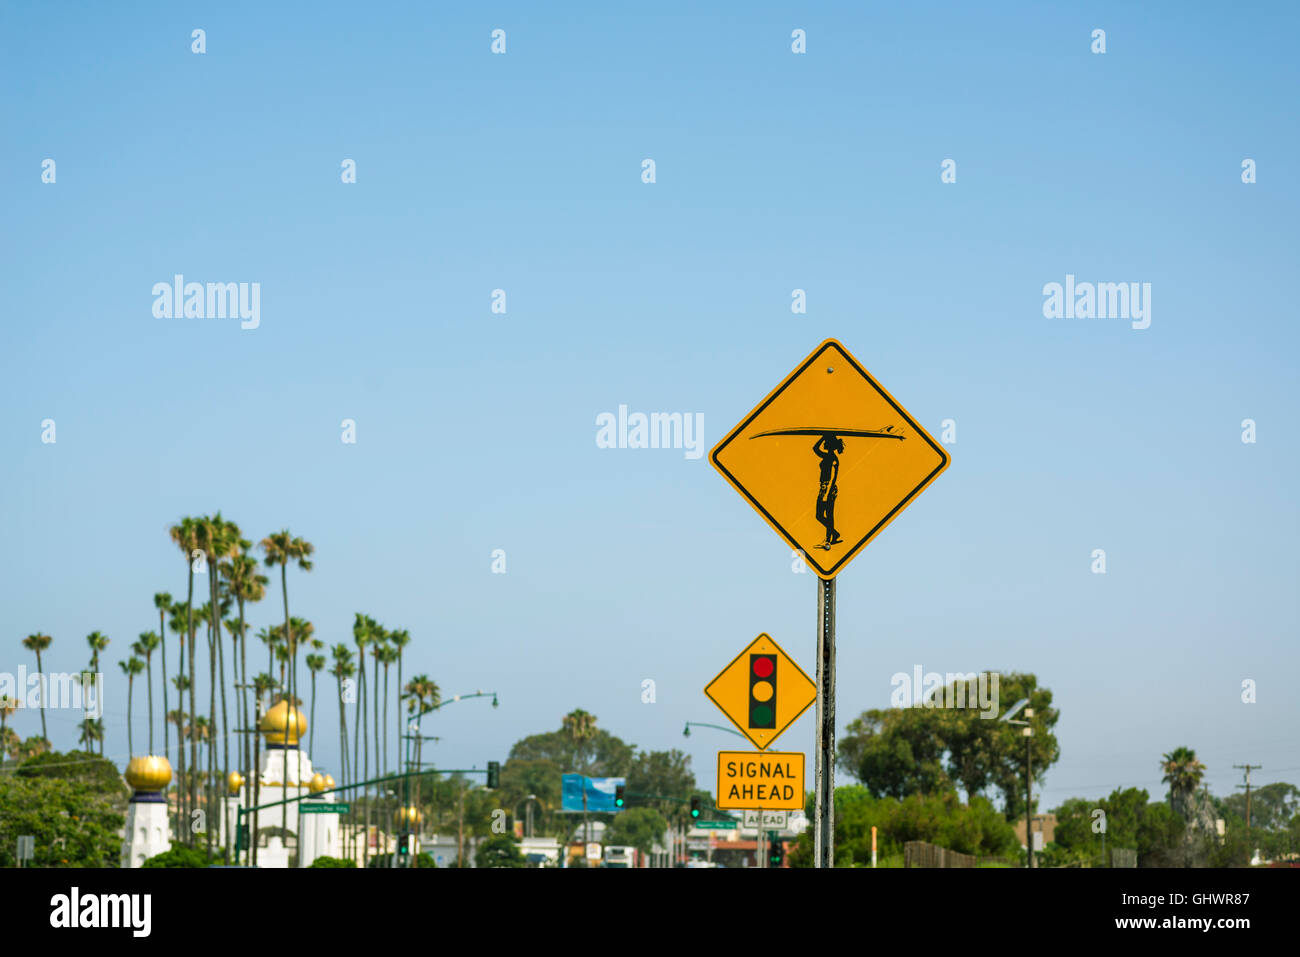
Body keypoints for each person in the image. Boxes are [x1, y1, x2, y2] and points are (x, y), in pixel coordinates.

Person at [812, 434, 844, 548]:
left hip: (829, 489)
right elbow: (815, 448)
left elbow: (833, 477)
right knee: (819, 515)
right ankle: (834, 534)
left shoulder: (833, 459)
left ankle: (828, 540)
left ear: (830, 445)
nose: (824, 444)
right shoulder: (827, 456)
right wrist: (823, 436)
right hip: (825, 488)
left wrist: (826, 494)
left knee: (829, 515)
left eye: (826, 442)